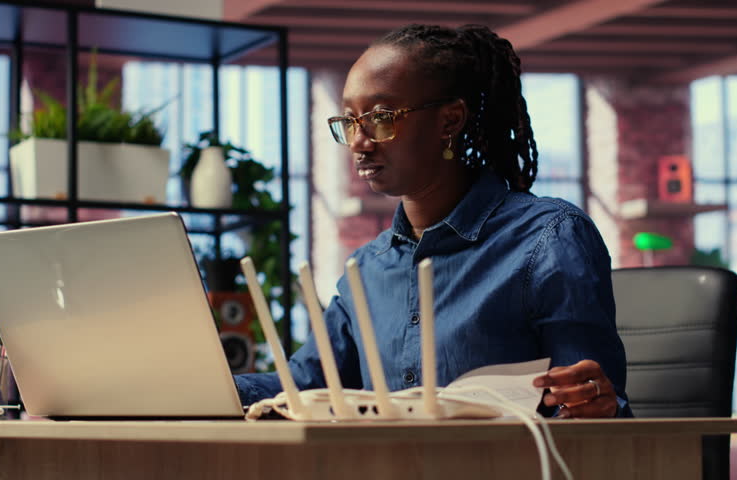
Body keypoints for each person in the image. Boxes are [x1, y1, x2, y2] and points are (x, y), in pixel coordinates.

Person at [234, 24, 632, 418]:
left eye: (381, 117)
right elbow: (303, 386)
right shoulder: (369, 269)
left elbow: (593, 405)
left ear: (450, 121)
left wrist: (594, 401)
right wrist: (205, 387)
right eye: (351, 121)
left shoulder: (548, 238)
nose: (359, 141)